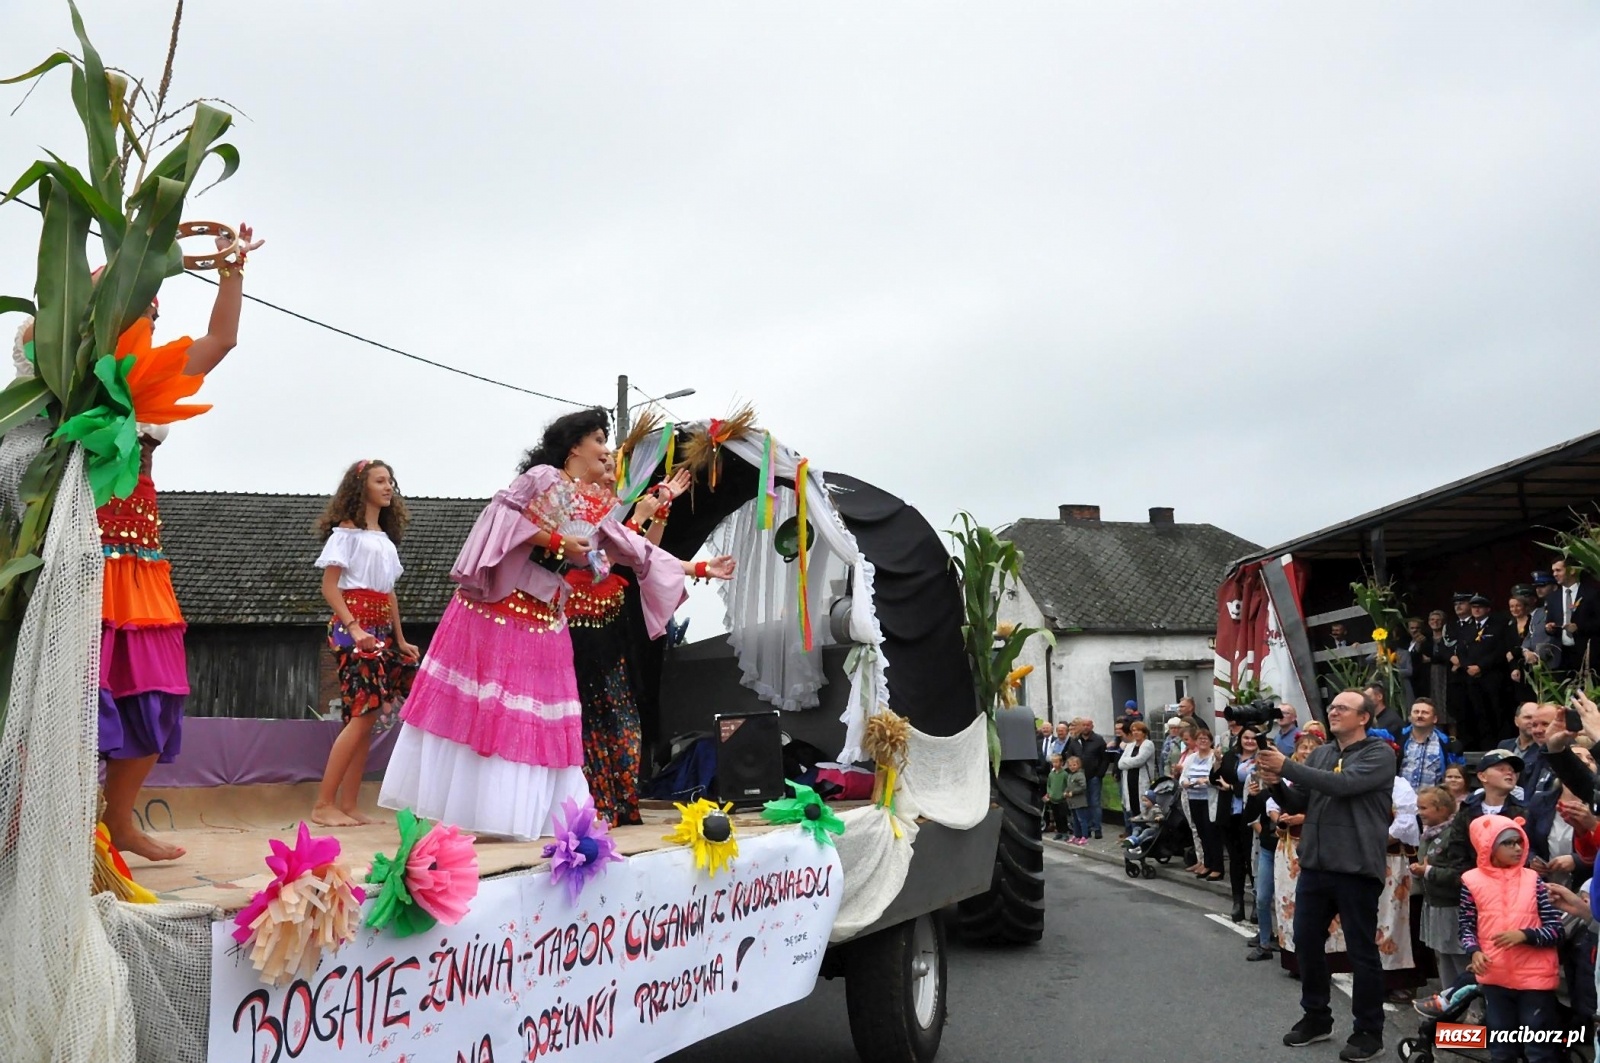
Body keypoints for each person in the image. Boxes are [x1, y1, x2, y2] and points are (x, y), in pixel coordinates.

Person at [380, 408, 728, 838]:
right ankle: (485, 810)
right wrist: (557, 540)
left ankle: (524, 814)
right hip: (503, 610)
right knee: (495, 709)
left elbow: (630, 551)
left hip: (548, 618)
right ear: (574, 445)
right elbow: (503, 518)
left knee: (540, 716)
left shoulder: (593, 507)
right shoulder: (543, 478)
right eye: (598, 440)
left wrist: (699, 567)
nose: (605, 451)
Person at [43, 224, 266, 862]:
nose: (150, 318)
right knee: (69, 689)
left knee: (153, 688)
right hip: (74, 546)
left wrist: (231, 269)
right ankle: (50, 825)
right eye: (139, 305)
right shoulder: (61, 368)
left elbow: (222, 339)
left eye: (155, 311)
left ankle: (118, 824)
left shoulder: (155, 377)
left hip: (139, 556)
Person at [1256, 688, 1397, 1062]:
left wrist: (1286, 766)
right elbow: (1299, 800)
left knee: (1361, 951)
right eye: (1331, 706)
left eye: (1342, 708)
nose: (1333, 711)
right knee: (1305, 942)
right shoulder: (1321, 753)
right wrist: (1275, 782)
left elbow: (1344, 784)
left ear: (1363, 717)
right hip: (1317, 864)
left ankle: (1369, 1031)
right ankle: (1316, 1017)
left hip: (1356, 866)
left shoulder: (1379, 753)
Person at [311, 460, 420, 827]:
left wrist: (400, 639)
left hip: (379, 631)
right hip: (352, 630)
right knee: (362, 714)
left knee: (367, 716)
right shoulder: (347, 533)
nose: (388, 487)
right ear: (362, 488)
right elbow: (330, 587)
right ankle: (323, 804)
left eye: (390, 481)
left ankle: (348, 803)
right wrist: (355, 628)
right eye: (380, 481)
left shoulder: (383, 539)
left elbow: (389, 592)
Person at [1458, 815, 1566, 1063]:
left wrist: (1525, 935)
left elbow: (1556, 930)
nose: (1517, 848)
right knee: (1502, 1050)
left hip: (1535, 980)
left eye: (1519, 842)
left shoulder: (1533, 880)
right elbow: (1466, 926)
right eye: (1508, 843)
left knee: (1539, 1050)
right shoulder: (1471, 881)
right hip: (1495, 977)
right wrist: (1474, 951)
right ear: (1488, 846)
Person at [1412, 786, 1469, 993]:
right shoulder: (1428, 834)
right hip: (1434, 903)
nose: (1419, 812)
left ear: (1442, 809)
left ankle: (1470, 1003)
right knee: (1443, 955)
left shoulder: (1453, 835)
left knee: (1459, 956)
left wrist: (1428, 871)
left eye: (1424, 808)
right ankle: (1450, 999)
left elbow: (1459, 874)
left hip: (1451, 905)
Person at [1214, 726, 1260, 921]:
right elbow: (1215, 780)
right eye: (1246, 738)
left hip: (1251, 816)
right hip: (1230, 813)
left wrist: (1232, 787)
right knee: (1236, 860)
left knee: (1252, 861)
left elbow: (1258, 786)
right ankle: (1238, 902)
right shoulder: (1231, 756)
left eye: (1253, 738)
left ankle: (1258, 903)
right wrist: (1217, 762)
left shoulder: (1262, 759)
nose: (1249, 741)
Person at [1454, 594, 1510, 752]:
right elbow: (1460, 650)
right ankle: (1483, 747)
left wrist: (1481, 667)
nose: (1476, 610)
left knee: (1496, 713)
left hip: (1492, 677)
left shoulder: (1498, 626)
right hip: (1471, 678)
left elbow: (1500, 650)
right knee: (1478, 714)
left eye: (1480, 607)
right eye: (1473, 607)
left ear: (1487, 609)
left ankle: (1499, 746)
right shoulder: (1467, 628)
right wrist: (1467, 667)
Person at [1181, 727, 1223, 880]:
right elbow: (1183, 776)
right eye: (1200, 739)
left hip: (1209, 799)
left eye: (1206, 738)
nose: (1203, 741)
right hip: (1194, 798)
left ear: (1211, 741)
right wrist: (1186, 782)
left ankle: (1217, 867)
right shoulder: (1191, 757)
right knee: (1201, 833)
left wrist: (1205, 781)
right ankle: (1207, 863)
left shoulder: (1215, 757)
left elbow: (1218, 777)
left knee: (1212, 833)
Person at [1546, 557, 1600, 675]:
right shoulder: (1553, 597)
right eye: (1553, 571)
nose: (1554, 574)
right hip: (1562, 656)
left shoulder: (1591, 593)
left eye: (1558, 570)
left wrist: (1579, 627)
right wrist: (1550, 628)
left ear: (1572, 570)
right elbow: (1549, 622)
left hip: (1587, 654)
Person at [1246, 768, 1279, 961]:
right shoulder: (1265, 794)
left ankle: (1290, 944)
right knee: (1262, 897)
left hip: (1291, 851)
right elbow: (1249, 817)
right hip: (1268, 850)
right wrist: (1252, 797)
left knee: (1288, 901)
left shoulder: (1297, 793)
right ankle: (1265, 942)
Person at [1399, 698, 1460, 791]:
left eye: (1425, 713)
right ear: (1410, 717)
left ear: (1435, 719)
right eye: (1416, 712)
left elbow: (1458, 775)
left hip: (1434, 798)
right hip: (1400, 798)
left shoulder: (1446, 744)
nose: (1419, 715)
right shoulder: (1398, 738)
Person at [1064, 718, 1108, 840]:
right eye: (1083, 725)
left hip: (1093, 776)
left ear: (1092, 726)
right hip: (1078, 777)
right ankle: (1086, 829)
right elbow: (1069, 756)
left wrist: (1100, 774)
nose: (1085, 727)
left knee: (1094, 803)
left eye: (1088, 725)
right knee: (1083, 803)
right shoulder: (1075, 741)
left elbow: (1105, 758)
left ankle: (1097, 829)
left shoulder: (1098, 740)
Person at [1116, 721, 1158, 839]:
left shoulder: (1148, 744)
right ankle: (1134, 836)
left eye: (1138, 730)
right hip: (1129, 781)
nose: (1135, 733)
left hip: (1142, 782)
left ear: (1144, 732)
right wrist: (1129, 762)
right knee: (1133, 809)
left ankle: (1143, 836)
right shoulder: (1130, 746)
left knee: (1143, 809)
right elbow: (1120, 764)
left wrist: (1127, 762)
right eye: (1133, 730)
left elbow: (1140, 760)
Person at [1421, 610, 1455, 726]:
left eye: (1438, 620)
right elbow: (1422, 658)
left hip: (1446, 674)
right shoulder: (1426, 640)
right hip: (1431, 675)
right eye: (1432, 619)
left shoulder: (1449, 639)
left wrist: (1432, 659)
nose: (1435, 622)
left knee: (1448, 704)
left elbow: (1447, 657)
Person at [1505, 592, 1538, 707]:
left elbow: (1533, 644)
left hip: (1534, 666)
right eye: (1511, 606)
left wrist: (1515, 652)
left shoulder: (1533, 622)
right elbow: (1508, 652)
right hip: (1518, 669)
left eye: (1518, 605)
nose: (1514, 609)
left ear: (1525, 606)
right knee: (1523, 702)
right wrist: (1514, 668)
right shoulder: (1509, 626)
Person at [1062, 755, 1091, 845]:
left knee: (1082, 819)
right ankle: (1076, 835)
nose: (1072, 767)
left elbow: (1083, 786)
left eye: (1074, 765)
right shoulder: (1070, 775)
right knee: (1074, 820)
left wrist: (1073, 792)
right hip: (1072, 802)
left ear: (1079, 765)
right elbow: (1069, 786)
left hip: (1079, 801)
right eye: (1070, 765)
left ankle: (1084, 836)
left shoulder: (1080, 775)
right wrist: (1065, 791)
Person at [1045, 754, 1069, 842]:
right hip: (1053, 799)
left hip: (1061, 800)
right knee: (1056, 817)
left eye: (1056, 762)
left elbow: (1068, 785)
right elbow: (1049, 785)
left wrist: (1065, 793)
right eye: (1053, 762)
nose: (1055, 764)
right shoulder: (1051, 774)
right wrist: (1049, 793)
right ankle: (1059, 832)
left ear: (1061, 763)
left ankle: (1065, 832)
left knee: (1063, 817)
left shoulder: (1064, 774)